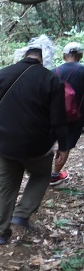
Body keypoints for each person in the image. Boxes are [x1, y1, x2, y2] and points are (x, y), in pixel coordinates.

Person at [0, 35, 68, 245]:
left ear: (25, 52)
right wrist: (64, 147)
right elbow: (58, 119)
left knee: (5, 188)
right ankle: (22, 213)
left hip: (4, 145)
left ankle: (1, 234)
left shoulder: (0, 75)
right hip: (37, 146)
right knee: (40, 176)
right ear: (45, 56)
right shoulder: (51, 80)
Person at [50, 42, 84, 186]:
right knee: (66, 146)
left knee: (49, 143)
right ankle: (55, 175)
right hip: (76, 117)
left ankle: (41, 173)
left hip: (53, 117)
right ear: (81, 55)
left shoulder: (53, 72)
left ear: (64, 56)